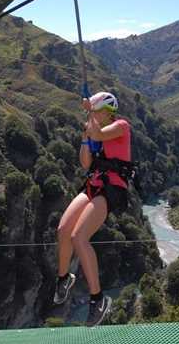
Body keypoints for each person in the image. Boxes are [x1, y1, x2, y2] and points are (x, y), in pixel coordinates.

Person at [53, 91, 132, 326]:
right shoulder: (95, 132)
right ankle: (64, 277)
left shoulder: (121, 126)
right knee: (63, 230)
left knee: (79, 237)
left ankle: (97, 299)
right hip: (94, 183)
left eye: (96, 111)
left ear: (106, 112)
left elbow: (99, 132)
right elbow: (85, 163)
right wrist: (86, 137)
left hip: (112, 188)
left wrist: (89, 117)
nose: (94, 115)